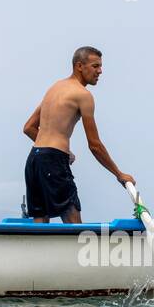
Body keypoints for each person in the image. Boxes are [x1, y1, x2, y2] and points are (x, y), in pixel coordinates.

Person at [20, 46, 135, 223]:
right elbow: (94, 145)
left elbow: (29, 127)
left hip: (35, 159)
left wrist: (58, 149)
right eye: (95, 66)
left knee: (40, 220)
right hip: (53, 161)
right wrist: (119, 174)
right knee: (72, 217)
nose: (100, 71)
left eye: (101, 66)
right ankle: (76, 250)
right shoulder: (83, 95)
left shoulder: (55, 88)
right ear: (79, 66)